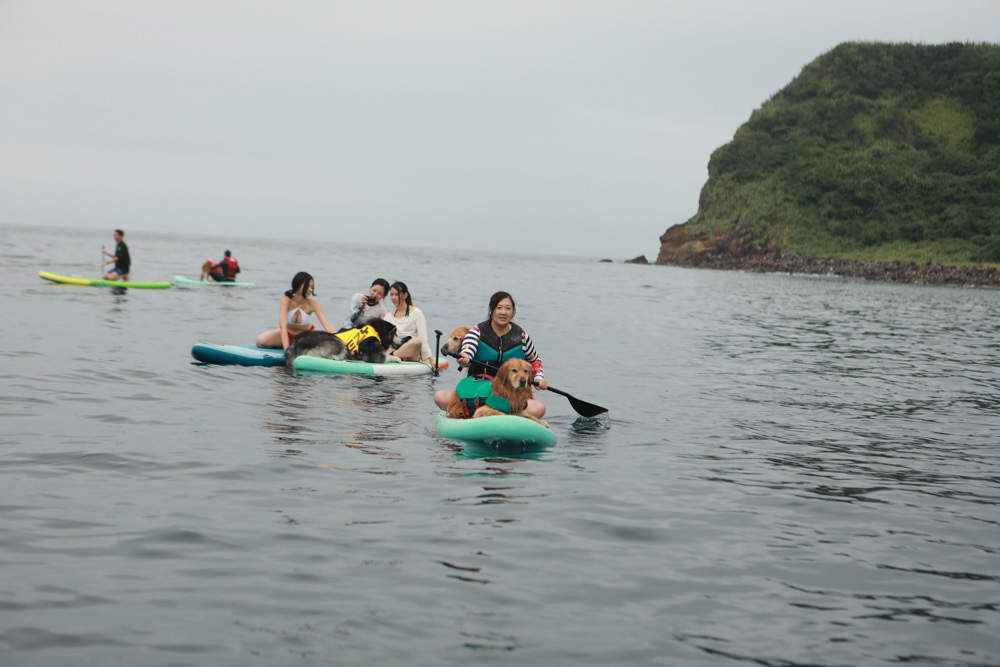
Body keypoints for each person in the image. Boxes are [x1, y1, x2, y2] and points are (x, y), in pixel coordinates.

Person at [434, 291, 548, 418]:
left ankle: (494, 412)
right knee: (440, 397)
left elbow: (535, 360)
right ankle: (491, 411)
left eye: (508, 308)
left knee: (539, 408)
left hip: (509, 392)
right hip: (478, 388)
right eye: (499, 308)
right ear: (490, 310)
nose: (503, 312)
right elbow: (467, 350)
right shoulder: (476, 332)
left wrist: (539, 377)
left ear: (513, 312)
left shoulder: (521, 337)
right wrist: (464, 359)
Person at [256, 272, 336, 350]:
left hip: (306, 336)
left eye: (312, 287)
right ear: (298, 285)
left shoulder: (313, 304)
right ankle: (287, 345)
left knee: (325, 347)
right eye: (308, 286)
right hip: (288, 334)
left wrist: (340, 338)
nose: (310, 290)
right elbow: (282, 326)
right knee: (260, 341)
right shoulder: (286, 301)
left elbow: (327, 326)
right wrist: (286, 350)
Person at [383, 281, 434, 363]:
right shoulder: (388, 316)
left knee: (416, 341)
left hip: (411, 351)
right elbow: (385, 339)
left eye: (397, 294)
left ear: (405, 295)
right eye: (391, 295)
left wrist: (428, 358)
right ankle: (394, 355)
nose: (393, 297)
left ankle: (392, 356)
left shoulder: (416, 313)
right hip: (395, 347)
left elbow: (423, 339)